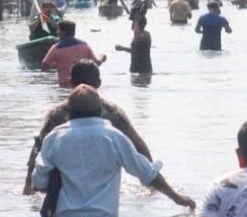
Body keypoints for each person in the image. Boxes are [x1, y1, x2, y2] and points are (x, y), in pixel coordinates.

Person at [31, 84, 195, 217]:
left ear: (68, 112)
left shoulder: (55, 138)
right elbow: (146, 173)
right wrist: (177, 198)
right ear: (100, 110)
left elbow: (39, 181)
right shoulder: (114, 136)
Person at [24, 59, 156, 194]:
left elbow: (38, 148)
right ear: (99, 83)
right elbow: (139, 147)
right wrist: (152, 186)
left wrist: (28, 186)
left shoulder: (57, 114)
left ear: (70, 82)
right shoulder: (113, 113)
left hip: (65, 187)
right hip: (104, 188)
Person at [41, 20, 106, 88]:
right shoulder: (84, 45)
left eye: (58, 30)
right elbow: (96, 63)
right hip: (84, 85)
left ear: (64, 32)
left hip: (65, 85)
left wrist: (56, 64)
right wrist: (102, 57)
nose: (57, 32)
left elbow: (44, 66)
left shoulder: (56, 48)